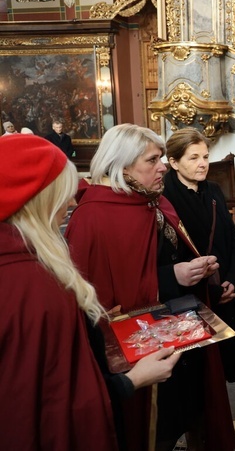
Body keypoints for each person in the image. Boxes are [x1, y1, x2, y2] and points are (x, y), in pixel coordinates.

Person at [0, 134, 179, 450]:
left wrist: (84, 324)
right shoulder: (31, 283)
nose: (71, 203)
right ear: (39, 198)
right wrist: (133, 381)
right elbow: (50, 408)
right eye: (63, 194)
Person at [66, 124, 235, 451]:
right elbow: (102, 295)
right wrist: (175, 276)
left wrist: (195, 270)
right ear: (123, 165)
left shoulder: (151, 202)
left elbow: (160, 257)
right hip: (141, 344)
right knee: (157, 427)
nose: (162, 166)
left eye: (161, 158)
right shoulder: (94, 215)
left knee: (192, 405)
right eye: (153, 160)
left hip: (180, 323)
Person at [163, 128, 235, 383]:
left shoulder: (213, 190)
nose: (202, 164)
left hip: (223, 289)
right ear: (174, 162)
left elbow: (232, 238)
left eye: (205, 156)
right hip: (191, 297)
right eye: (193, 158)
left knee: (223, 365)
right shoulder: (164, 197)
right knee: (199, 374)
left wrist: (232, 278)